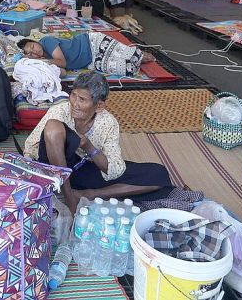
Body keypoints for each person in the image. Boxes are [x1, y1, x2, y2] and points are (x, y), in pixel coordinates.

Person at [24, 72, 173, 213]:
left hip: (83, 170)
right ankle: (70, 199)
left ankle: (89, 194)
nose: (75, 103)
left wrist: (88, 146)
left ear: (99, 105)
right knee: (54, 127)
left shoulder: (108, 122)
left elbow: (112, 168)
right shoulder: (59, 111)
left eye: (82, 100)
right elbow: (31, 147)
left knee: (159, 174)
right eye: (73, 95)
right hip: (52, 168)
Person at [18, 34, 155, 77]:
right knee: (127, 70)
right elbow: (63, 72)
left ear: (35, 41)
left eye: (32, 47)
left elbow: (62, 62)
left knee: (136, 57)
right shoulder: (41, 60)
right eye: (31, 54)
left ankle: (140, 54)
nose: (34, 52)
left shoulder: (46, 41)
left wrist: (43, 61)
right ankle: (136, 57)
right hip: (90, 61)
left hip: (91, 43)